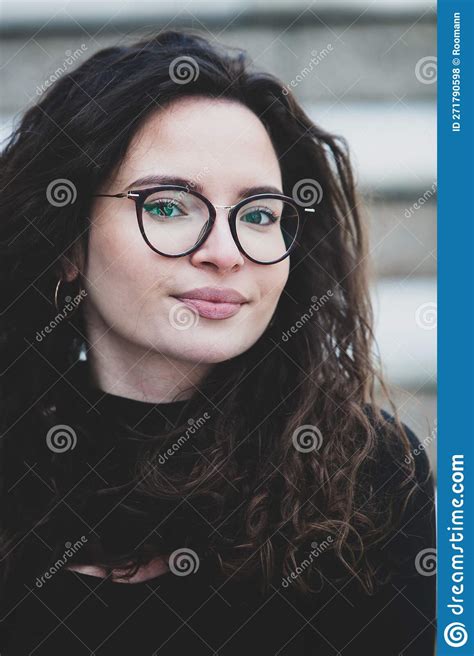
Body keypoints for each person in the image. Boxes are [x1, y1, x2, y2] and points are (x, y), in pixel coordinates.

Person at [0, 29, 436, 655]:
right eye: (172, 206)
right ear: (67, 242)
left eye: (258, 214)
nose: (226, 254)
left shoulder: (368, 483)